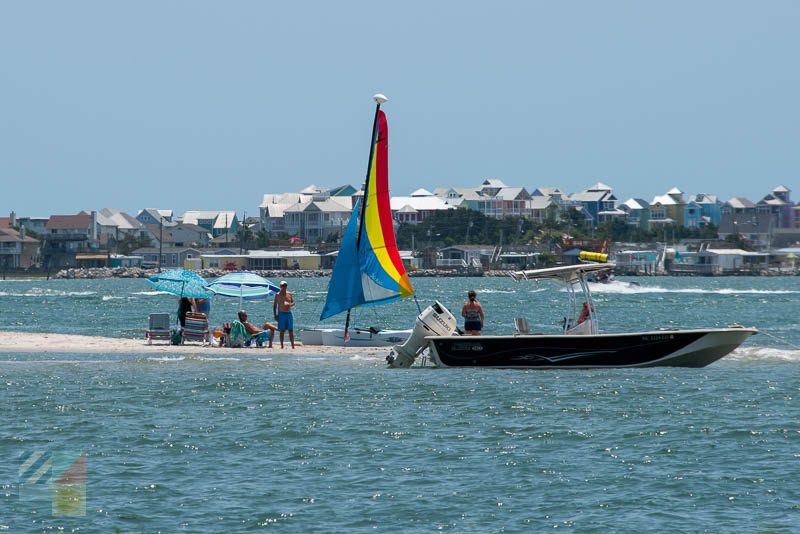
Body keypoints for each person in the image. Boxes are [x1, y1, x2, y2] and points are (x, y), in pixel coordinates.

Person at [273, 280, 295, 348]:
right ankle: (282, 345)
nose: (284, 287)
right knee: (282, 331)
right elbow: (274, 306)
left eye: (285, 285)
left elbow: (293, 302)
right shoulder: (277, 295)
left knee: (290, 330)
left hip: (288, 314)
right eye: (283, 285)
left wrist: (289, 304)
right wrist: (275, 315)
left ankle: (292, 346)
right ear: (280, 286)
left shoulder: (289, 294)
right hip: (281, 314)